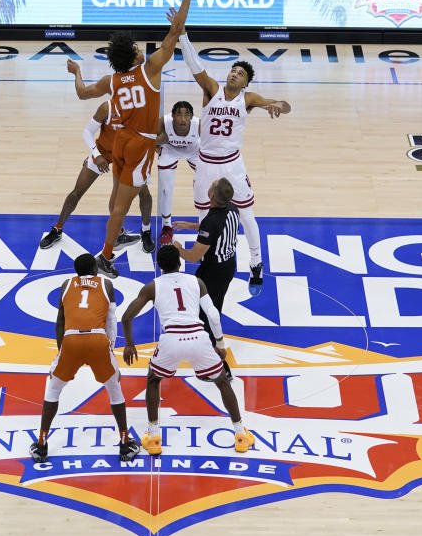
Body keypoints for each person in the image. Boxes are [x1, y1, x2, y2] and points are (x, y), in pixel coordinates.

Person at [66, 0, 197, 278]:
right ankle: (106, 257)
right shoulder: (150, 70)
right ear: (135, 55)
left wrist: (76, 73)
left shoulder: (111, 80)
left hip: (120, 141)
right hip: (140, 144)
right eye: (138, 46)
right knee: (121, 206)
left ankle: (113, 244)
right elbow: (176, 31)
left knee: (119, 198)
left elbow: (83, 93)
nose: (141, 47)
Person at [175, 18, 291, 295]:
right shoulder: (212, 90)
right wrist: (183, 37)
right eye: (232, 70)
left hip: (232, 164)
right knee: (205, 216)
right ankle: (207, 262)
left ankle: (256, 263)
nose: (233, 74)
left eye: (239, 73)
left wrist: (277, 105)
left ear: (246, 82)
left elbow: (286, 105)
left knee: (247, 216)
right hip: (206, 163)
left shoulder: (248, 99)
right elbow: (195, 65)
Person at [121, 244, 254, 455]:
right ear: (180, 262)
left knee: (154, 380)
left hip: (171, 339)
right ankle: (240, 435)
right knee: (221, 381)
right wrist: (219, 343)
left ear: (159, 266)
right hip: (199, 338)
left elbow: (126, 316)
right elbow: (213, 315)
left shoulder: (151, 287)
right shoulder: (197, 282)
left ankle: (154, 437)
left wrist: (129, 344)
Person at [30, 253, 141, 462]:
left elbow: (60, 322)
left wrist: (61, 350)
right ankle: (125, 444)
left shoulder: (66, 284)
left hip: (71, 340)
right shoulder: (106, 284)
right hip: (98, 340)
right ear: (94, 269)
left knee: (53, 388)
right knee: (114, 388)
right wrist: (110, 349)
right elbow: (111, 321)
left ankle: (42, 444)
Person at [39, 100, 155, 253]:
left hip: (128, 157)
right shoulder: (107, 107)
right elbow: (87, 132)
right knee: (76, 192)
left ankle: (145, 231)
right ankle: (57, 229)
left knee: (144, 193)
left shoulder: (141, 108)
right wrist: (97, 155)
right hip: (103, 153)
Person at [172, 178, 239, 375]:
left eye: (212, 184)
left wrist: (178, 249)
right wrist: (192, 226)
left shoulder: (211, 222)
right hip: (229, 265)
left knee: (205, 314)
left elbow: (193, 257)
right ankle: (213, 351)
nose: (210, 183)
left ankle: (217, 364)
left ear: (211, 195)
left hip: (213, 271)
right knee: (214, 308)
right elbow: (215, 227)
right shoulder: (232, 207)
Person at [155, 101, 200, 246]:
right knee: (165, 190)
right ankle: (167, 227)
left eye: (186, 114)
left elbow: (213, 143)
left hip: (193, 150)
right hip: (170, 150)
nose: (182, 118)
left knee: (206, 184)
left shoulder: (199, 125)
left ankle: (207, 222)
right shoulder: (163, 122)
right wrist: (157, 142)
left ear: (191, 116)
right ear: (173, 116)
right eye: (179, 114)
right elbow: (147, 141)